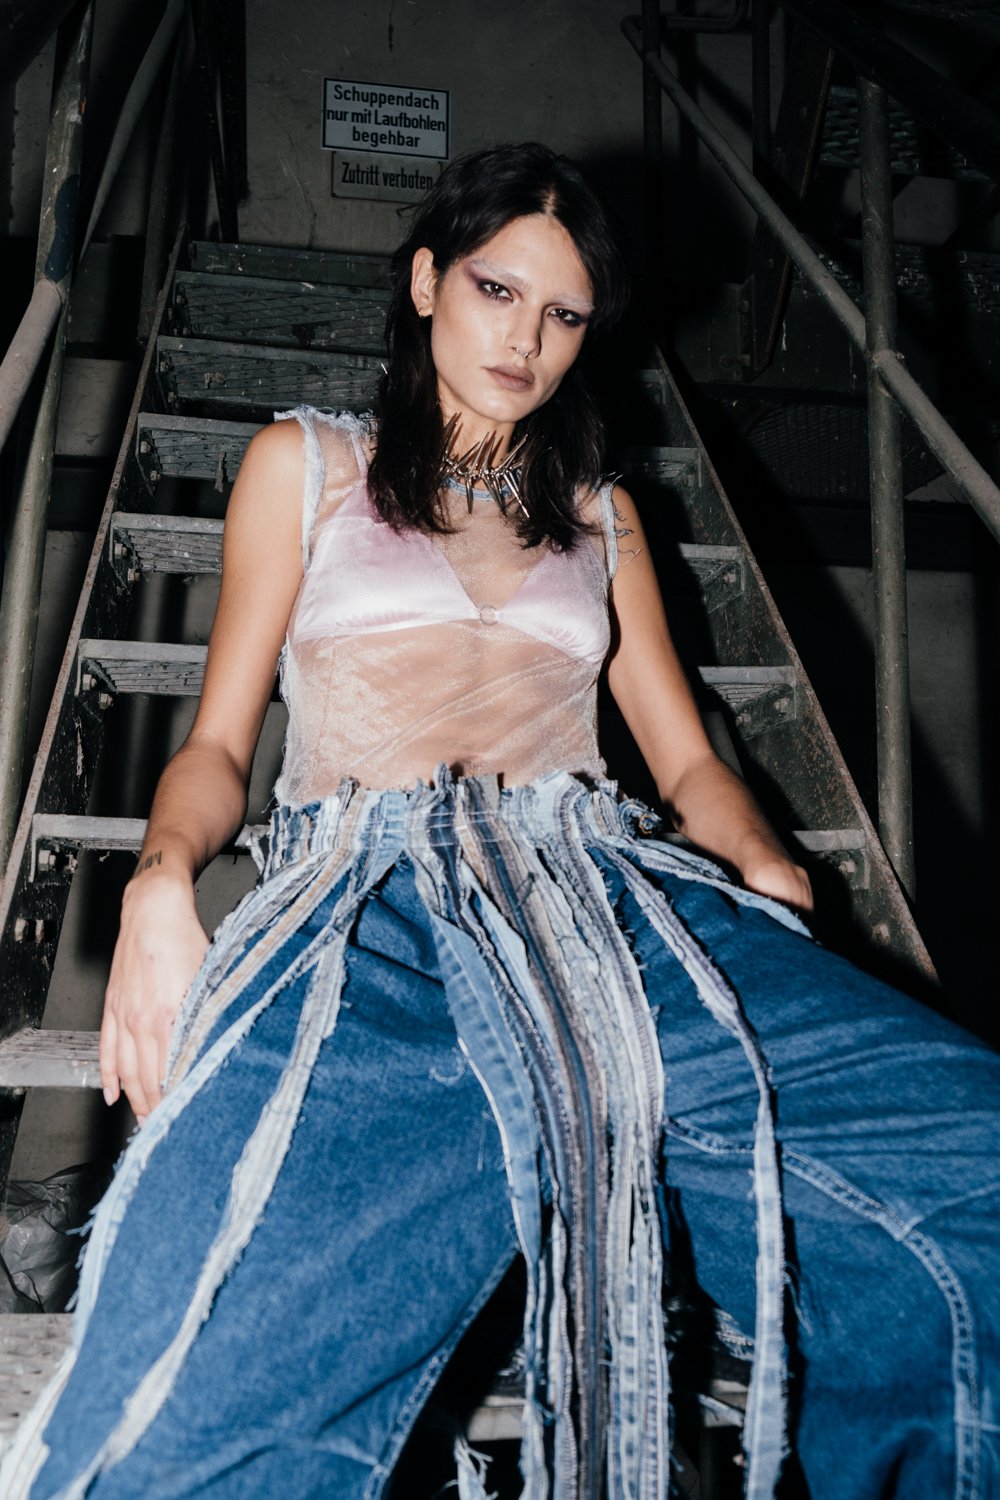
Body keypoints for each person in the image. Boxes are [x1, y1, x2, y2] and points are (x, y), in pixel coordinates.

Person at [5, 142, 998, 1500]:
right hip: (373, 913)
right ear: (425, 281)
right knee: (196, 1370)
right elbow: (222, 742)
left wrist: (762, 865)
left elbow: (688, 760)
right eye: (494, 289)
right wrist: (161, 880)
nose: (526, 339)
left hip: (606, 901)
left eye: (565, 313)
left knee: (971, 1167)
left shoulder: (606, 517)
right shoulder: (307, 466)